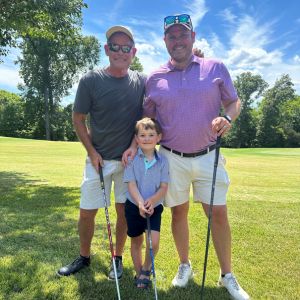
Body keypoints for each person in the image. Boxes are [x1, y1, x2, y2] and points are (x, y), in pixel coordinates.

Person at [143, 14, 250, 300]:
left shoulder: (215, 67)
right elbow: (147, 118)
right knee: (178, 211)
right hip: (171, 157)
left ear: (193, 36)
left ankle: (227, 274)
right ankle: (184, 265)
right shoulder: (154, 77)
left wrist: (227, 117)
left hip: (208, 155)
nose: (177, 40)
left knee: (218, 213)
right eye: (172, 36)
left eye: (182, 35)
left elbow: (233, 101)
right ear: (164, 40)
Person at [57, 25, 146, 280]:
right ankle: (84, 257)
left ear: (133, 52)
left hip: (129, 162)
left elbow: (146, 115)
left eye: (126, 47)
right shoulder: (91, 80)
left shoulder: (141, 81)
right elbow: (78, 119)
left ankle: (117, 259)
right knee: (87, 211)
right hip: (97, 160)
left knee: (123, 213)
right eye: (115, 47)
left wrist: (132, 146)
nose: (120, 52)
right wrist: (92, 151)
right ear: (107, 49)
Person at [123, 117, 169, 288]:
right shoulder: (131, 159)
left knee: (153, 242)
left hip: (154, 207)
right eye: (142, 135)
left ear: (159, 137)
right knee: (136, 241)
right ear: (136, 139)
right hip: (134, 206)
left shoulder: (163, 161)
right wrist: (141, 203)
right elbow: (132, 184)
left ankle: (146, 268)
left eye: (151, 135)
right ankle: (139, 273)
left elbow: (164, 187)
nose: (147, 138)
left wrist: (152, 201)